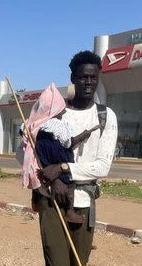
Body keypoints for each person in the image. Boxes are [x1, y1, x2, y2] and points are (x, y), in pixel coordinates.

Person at [26, 51, 118, 266]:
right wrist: (55, 179)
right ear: (73, 77)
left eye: (93, 76)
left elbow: (102, 166)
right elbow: (38, 155)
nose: (88, 82)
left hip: (85, 202)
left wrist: (65, 169)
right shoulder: (55, 113)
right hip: (53, 200)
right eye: (82, 76)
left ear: (98, 77)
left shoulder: (107, 117)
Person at [21, 84, 100, 224]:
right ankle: (70, 211)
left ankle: (35, 199)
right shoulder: (58, 125)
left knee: (41, 175)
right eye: (63, 108)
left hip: (43, 159)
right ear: (57, 109)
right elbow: (68, 142)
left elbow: (24, 139)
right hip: (58, 158)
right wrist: (83, 136)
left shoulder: (34, 124)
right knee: (70, 183)